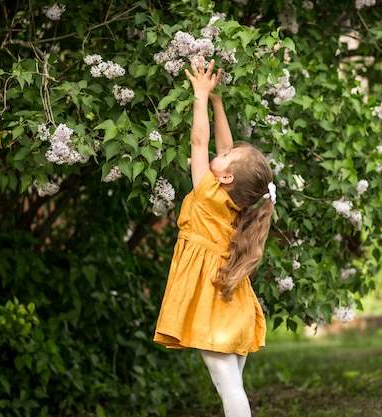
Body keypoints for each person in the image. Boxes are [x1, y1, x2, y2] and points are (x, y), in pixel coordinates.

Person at [153, 56, 276, 417]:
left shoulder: (207, 196)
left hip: (213, 300)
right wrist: (220, 103)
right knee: (232, 384)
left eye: (229, 156)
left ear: (225, 177)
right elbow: (222, 146)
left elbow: (198, 140)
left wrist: (202, 96)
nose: (224, 152)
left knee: (229, 388)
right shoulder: (233, 201)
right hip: (231, 300)